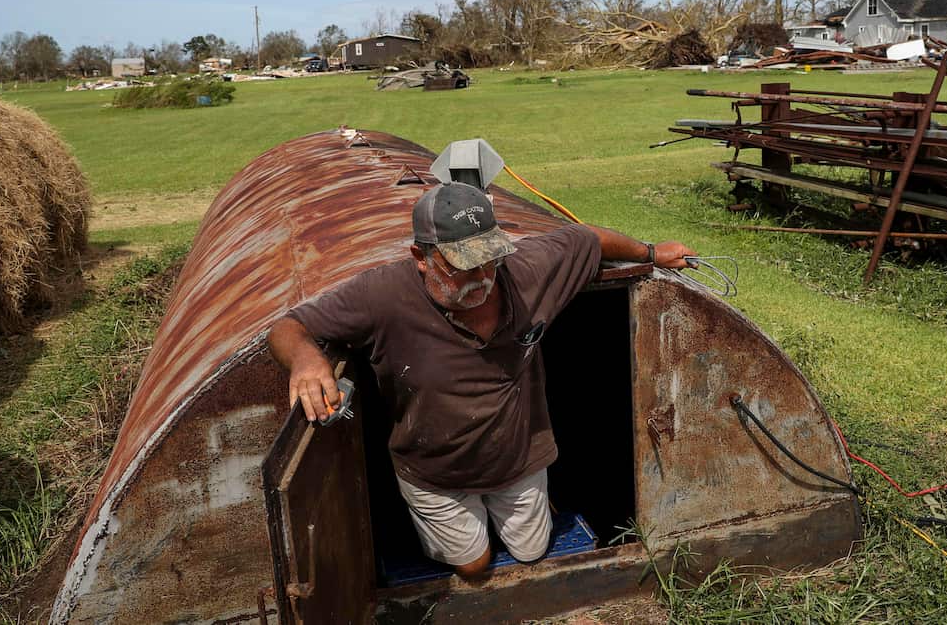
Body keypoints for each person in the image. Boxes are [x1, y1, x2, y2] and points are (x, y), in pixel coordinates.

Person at [267, 181, 694, 579]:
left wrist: (651, 253)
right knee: (474, 566)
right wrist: (306, 359)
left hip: (519, 455)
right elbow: (287, 327)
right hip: (434, 469)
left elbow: (588, 239)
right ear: (422, 258)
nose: (482, 279)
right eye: (463, 267)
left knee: (531, 552)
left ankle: (535, 505)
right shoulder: (381, 296)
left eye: (489, 260)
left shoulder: (526, 272)